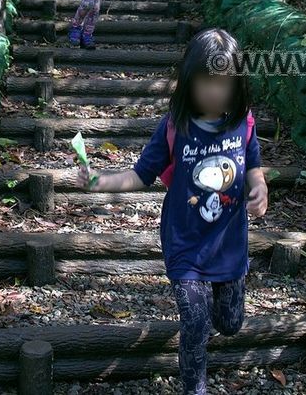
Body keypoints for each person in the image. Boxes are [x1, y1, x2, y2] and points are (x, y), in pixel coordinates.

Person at [74, 28, 269, 394]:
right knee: (195, 321)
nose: (215, 91)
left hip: (229, 243)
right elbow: (139, 175)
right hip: (185, 242)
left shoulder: (244, 123)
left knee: (229, 324)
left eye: (224, 83)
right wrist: (98, 181)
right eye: (206, 81)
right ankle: (195, 387)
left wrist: (259, 188)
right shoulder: (174, 127)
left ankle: (219, 303)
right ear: (188, 81)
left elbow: (253, 164)